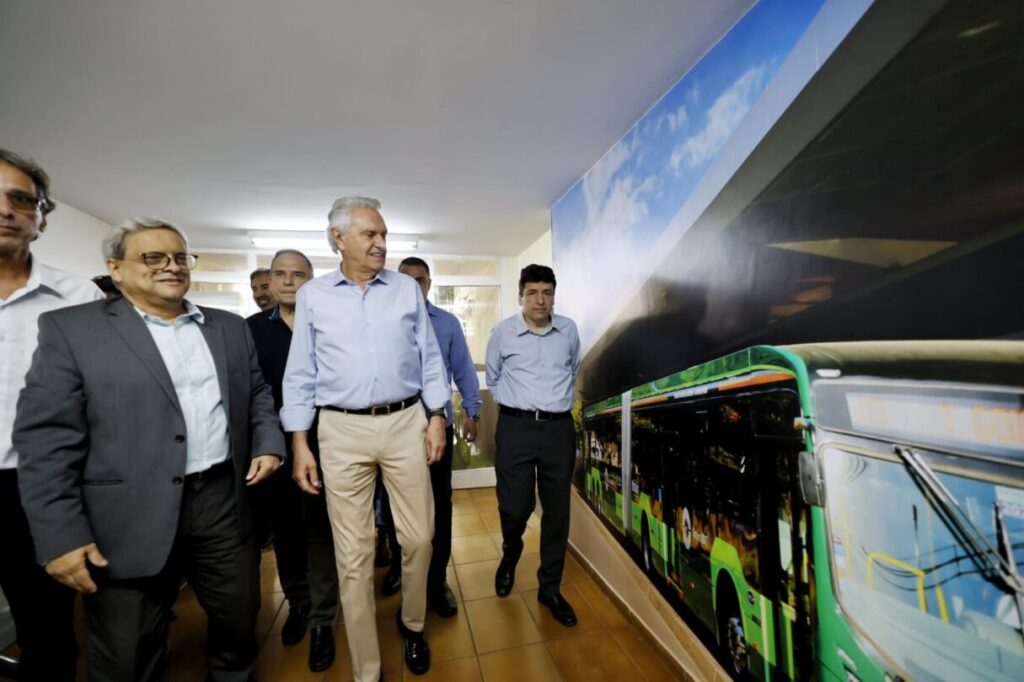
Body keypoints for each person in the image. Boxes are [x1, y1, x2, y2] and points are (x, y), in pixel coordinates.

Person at [14, 218, 285, 681]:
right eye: (153, 257)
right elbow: (46, 439)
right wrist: (60, 534)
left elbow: (256, 391)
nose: (171, 267)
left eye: (180, 257)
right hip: (126, 513)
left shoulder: (227, 327)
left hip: (221, 500)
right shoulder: (73, 330)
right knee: (128, 650)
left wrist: (268, 442)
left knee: (238, 620)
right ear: (116, 268)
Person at [282, 196, 449, 681]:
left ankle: (412, 624)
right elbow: (301, 372)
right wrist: (299, 443)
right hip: (340, 429)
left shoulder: (405, 290)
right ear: (338, 238)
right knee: (353, 556)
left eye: (384, 235)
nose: (381, 244)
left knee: (419, 538)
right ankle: (367, 668)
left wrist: (436, 415)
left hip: (405, 421)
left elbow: (430, 358)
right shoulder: (314, 296)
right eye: (370, 235)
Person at [0, 148, 102, 681]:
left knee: (47, 633)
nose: (5, 210)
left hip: (36, 488)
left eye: (21, 200)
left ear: (41, 218)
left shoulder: (77, 297)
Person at [246, 248, 339, 673]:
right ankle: (298, 602)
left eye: (298, 274)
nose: (288, 281)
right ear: (269, 280)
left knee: (320, 529)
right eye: (280, 274)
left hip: (325, 442)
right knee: (285, 530)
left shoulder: (328, 325)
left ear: (310, 280)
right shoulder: (250, 331)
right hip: (273, 448)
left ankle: (322, 617)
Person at [378, 256, 481, 618]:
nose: (413, 286)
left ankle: (437, 581)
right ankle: (399, 567)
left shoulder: (447, 323)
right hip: (394, 431)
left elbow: (464, 370)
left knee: (439, 504)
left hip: (438, 428)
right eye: (405, 280)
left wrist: (472, 412)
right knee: (394, 504)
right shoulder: (382, 320)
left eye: (419, 280)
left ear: (429, 284)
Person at [486, 264, 581, 626]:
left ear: (554, 296)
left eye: (547, 293)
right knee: (514, 506)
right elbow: (493, 377)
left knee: (557, 512)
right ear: (520, 296)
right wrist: (519, 407)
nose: (540, 300)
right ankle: (511, 552)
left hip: (558, 430)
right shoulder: (503, 332)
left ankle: (550, 588)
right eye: (532, 293)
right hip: (516, 428)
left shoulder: (568, 330)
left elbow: (572, 370)